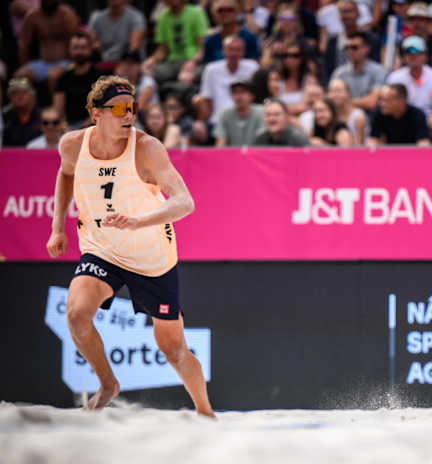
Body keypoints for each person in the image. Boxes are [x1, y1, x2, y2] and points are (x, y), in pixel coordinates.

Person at [45, 75, 215, 417]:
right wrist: (57, 228)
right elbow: (66, 175)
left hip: (151, 254)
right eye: (120, 109)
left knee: (173, 348)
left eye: (132, 108)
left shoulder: (147, 148)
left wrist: (140, 221)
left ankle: (205, 412)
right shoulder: (72, 145)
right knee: (77, 315)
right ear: (96, 113)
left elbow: (185, 202)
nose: (129, 115)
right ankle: (108, 383)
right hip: (102, 247)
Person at [386, 36, 432, 144]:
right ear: (404, 57)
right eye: (408, 53)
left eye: (417, 52)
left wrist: (421, 123)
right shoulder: (394, 78)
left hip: (429, 120)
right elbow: (389, 107)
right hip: (401, 120)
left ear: (425, 55)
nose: (413, 56)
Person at [14, 0, 79, 93]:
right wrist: (25, 65)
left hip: (65, 63)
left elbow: (76, 40)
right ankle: (29, 105)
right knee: (19, 76)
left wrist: (74, 62)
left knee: (52, 76)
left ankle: (56, 106)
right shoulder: (33, 16)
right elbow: (23, 44)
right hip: (43, 64)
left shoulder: (67, 15)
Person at [143, 0, 210, 87]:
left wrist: (192, 62)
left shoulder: (196, 13)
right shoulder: (163, 17)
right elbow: (162, 50)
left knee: (190, 76)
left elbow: (203, 47)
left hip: (194, 61)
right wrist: (150, 61)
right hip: (172, 62)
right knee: (146, 74)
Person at [54, 31, 105, 128]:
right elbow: (58, 110)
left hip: (94, 125)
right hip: (69, 126)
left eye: (83, 48)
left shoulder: (100, 78)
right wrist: (65, 127)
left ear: (90, 49)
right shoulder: (63, 78)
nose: (79, 52)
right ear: (69, 50)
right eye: (75, 48)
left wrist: (83, 126)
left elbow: (103, 108)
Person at [331, 31, 388, 112]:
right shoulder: (339, 72)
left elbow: (371, 102)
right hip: (344, 119)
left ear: (367, 48)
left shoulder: (379, 71)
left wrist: (343, 101)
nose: (350, 51)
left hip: (369, 120)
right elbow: (331, 100)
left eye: (354, 47)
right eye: (347, 47)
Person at [87, 0, 147, 68]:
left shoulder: (137, 17)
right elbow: (90, 42)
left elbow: (134, 46)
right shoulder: (96, 17)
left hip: (127, 62)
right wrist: (95, 46)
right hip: (103, 62)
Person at [202, 0, 261, 64]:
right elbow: (208, 66)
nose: (225, 13)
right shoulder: (210, 40)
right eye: (220, 10)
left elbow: (254, 65)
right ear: (213, 14)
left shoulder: (249, 37)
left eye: (230, 10)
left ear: (237, 12)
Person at [215, 80, 266, 147]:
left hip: (255, 155)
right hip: (232, 156)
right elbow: (220, 143)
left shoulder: (262, 112)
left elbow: (263, 141)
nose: (238, 96)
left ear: (251, 95)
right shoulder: (224, 114)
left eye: (242, 92)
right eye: (234, 92)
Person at [2, 77, 42, 147]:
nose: (19, 96)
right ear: (10, 98)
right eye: (15, 93)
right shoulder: (5, 118)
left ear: (32, 96)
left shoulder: (42, 116)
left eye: (24, 92)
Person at [328, 77, 369, 144]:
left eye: (339, 91)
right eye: (332, 91)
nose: (335, 95)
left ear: (348, 93)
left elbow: (358, 146)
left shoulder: (358, 116)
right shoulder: (329, 114)